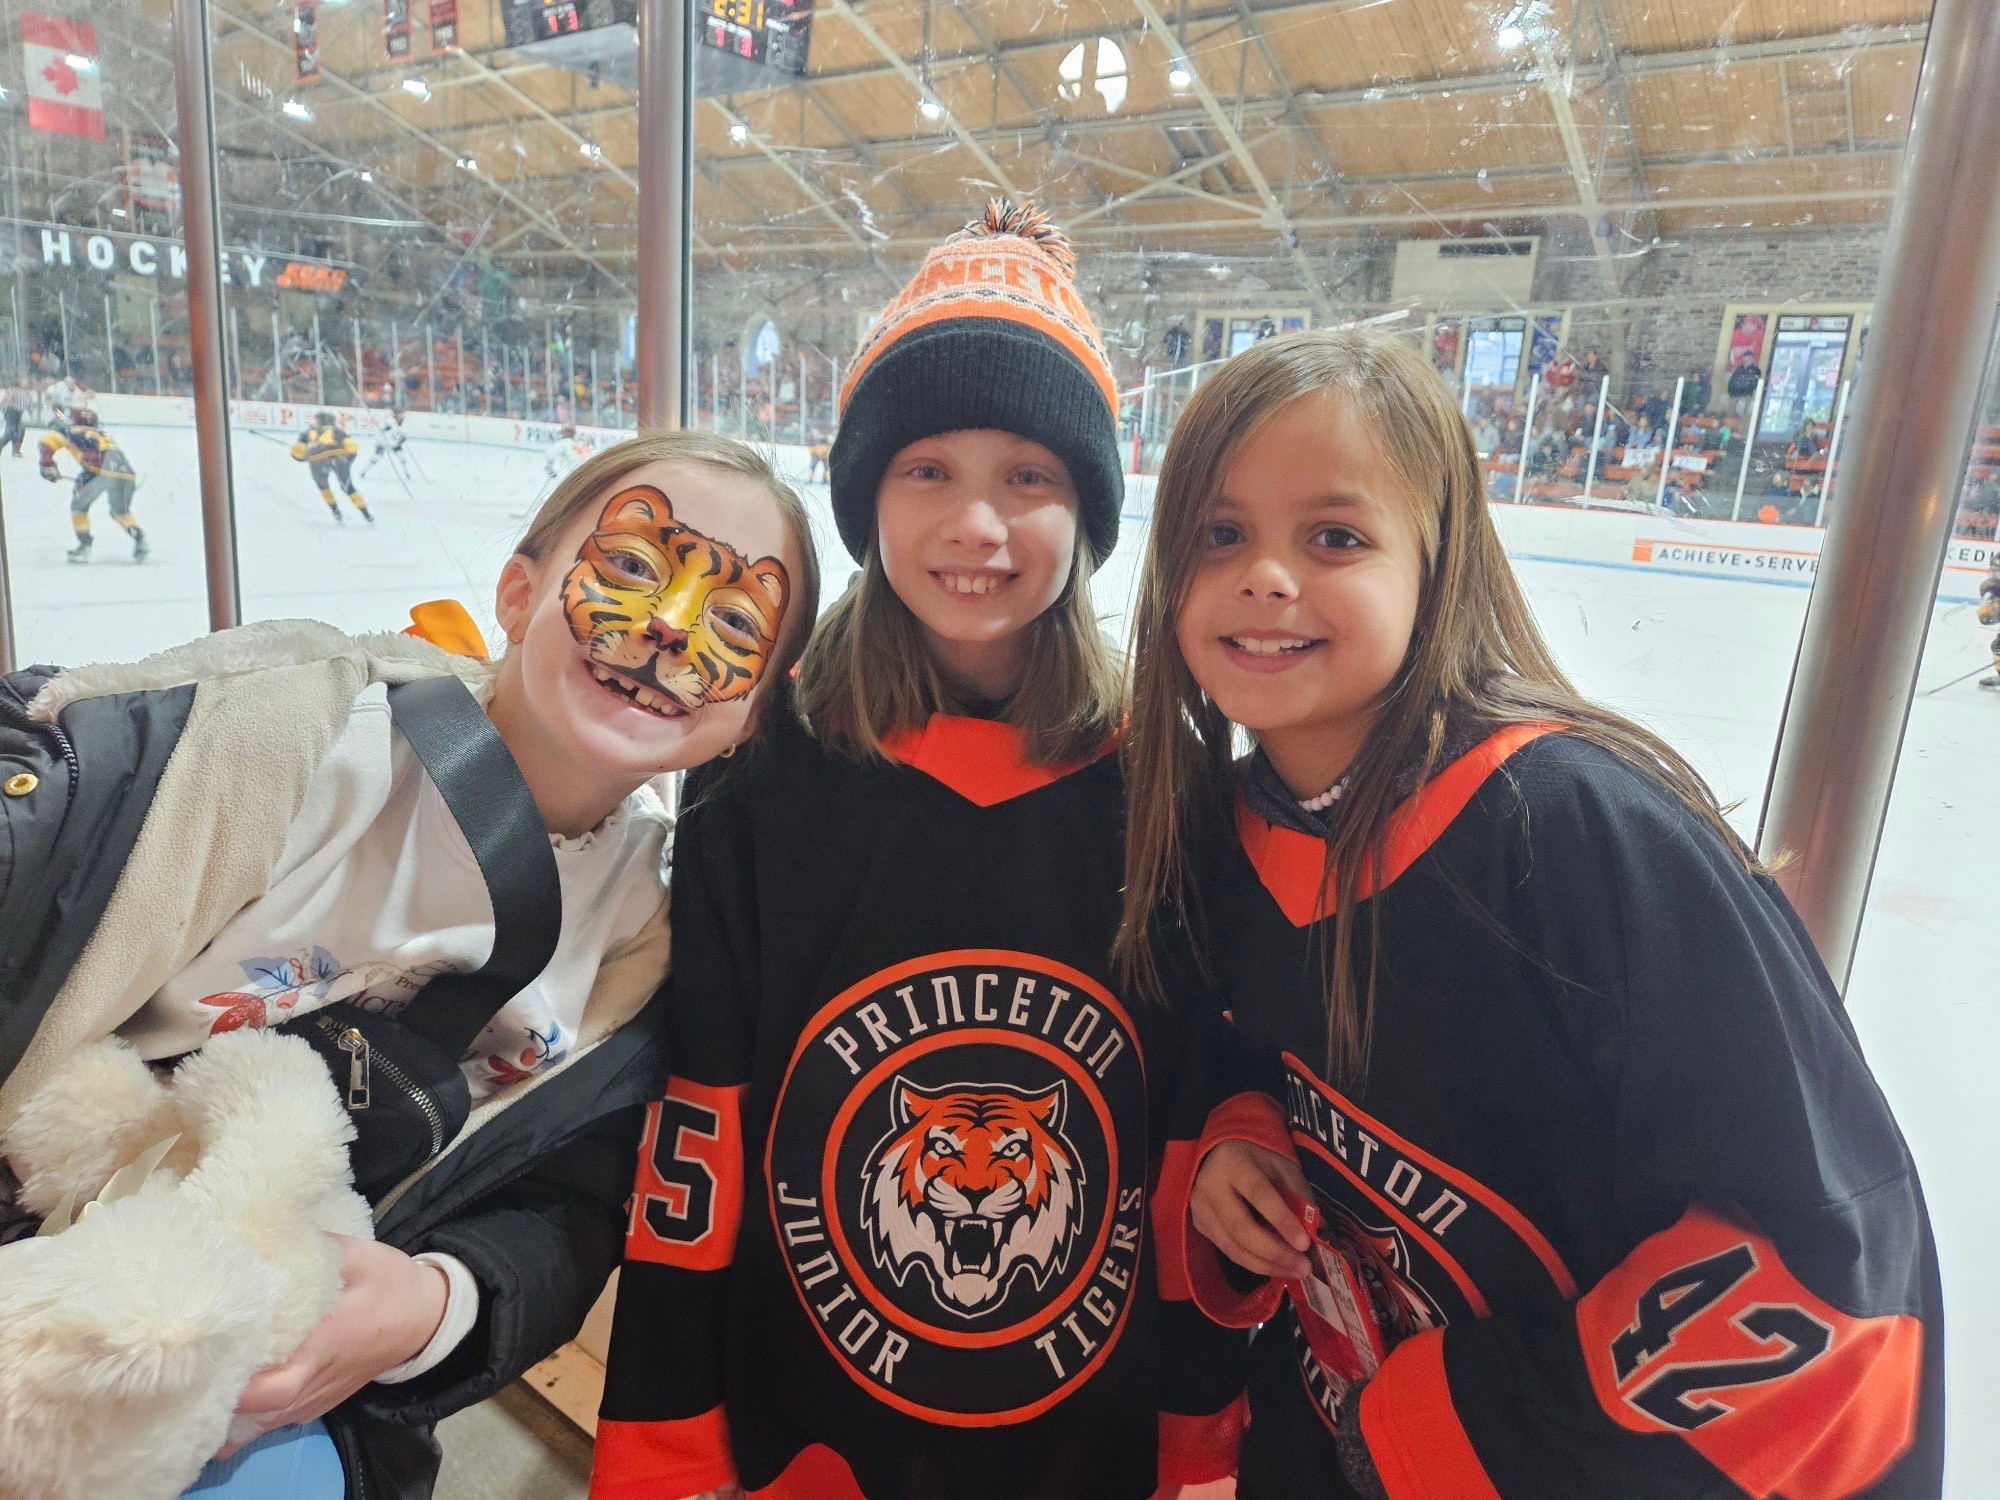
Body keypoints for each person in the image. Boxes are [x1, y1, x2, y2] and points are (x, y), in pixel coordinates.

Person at [1118, 330, 1940, 1499]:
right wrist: (1241, 1136)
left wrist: (1444, 1427)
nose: (1264, 576)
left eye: (1334, 537)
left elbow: (1825, 1263)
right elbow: (1258, 1060)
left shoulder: (1577, 833)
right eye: (1218, 534)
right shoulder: (1229, 833)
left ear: (1436, 564)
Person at [0, 430, 822, 1500]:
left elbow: (566, 1212)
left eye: (733, 623)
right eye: (629, 566)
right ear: (518, 591)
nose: (668, 625)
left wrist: (432, 1304)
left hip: (249, 1355)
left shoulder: (648, 942)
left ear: (754, 710)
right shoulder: (285, 739)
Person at [590, 202, 1245, 1500]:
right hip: (813, 1420)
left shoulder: (1159, 776)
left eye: (1029, 477)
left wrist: (1195, 1428)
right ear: (866, 498)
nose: (975, 525)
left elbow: (1180, 1123)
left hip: (1082, 1429)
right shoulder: (763, 763)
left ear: (1088, 508)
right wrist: (669, 1427)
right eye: (927, 470)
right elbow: (704, 1106)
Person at [39, 405, 145, 563]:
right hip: (126, 473)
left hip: (98, 472)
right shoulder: (103, 433)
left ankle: (84, 545)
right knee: (120, 512)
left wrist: (47, 465)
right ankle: (139, 539)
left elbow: (47, 442)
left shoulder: (69, 430)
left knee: (78, 508)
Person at [291, 410, 373, 524]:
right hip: (339, 459)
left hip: (317, 461)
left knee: (323, 487)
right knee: (348, 488)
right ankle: (366, 514)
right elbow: (352, 448)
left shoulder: (308, 433)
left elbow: (297, 454)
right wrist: (347, 462)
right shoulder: (338, 431)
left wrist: (306, 457)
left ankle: (336, 511)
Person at [360, 408, 412, 480]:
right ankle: (364, 471)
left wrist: (402, 439)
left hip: (394, 443)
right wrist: (385, 428)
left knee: (402, 458)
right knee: (376, 457)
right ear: (396, 415)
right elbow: (383, 427)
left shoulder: (403, 422)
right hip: (382, 442)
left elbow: (403, 435)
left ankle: (407, 473)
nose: (402, 416)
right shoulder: (389, 420)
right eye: (401, 415)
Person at [1978, 554, 2000, 689]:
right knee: (1998, 646)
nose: (1995, 575)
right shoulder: (1994, 587)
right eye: (1994, 571)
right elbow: (1985, 618)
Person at [1, 386, 24, 456]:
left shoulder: (22, 391)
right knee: (11, 431)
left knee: (19, 430)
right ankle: (15, 450)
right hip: (11, 410)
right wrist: (9, 405)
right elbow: (7, 398)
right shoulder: (13, 389)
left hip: (17, 411)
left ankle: (16, 450)